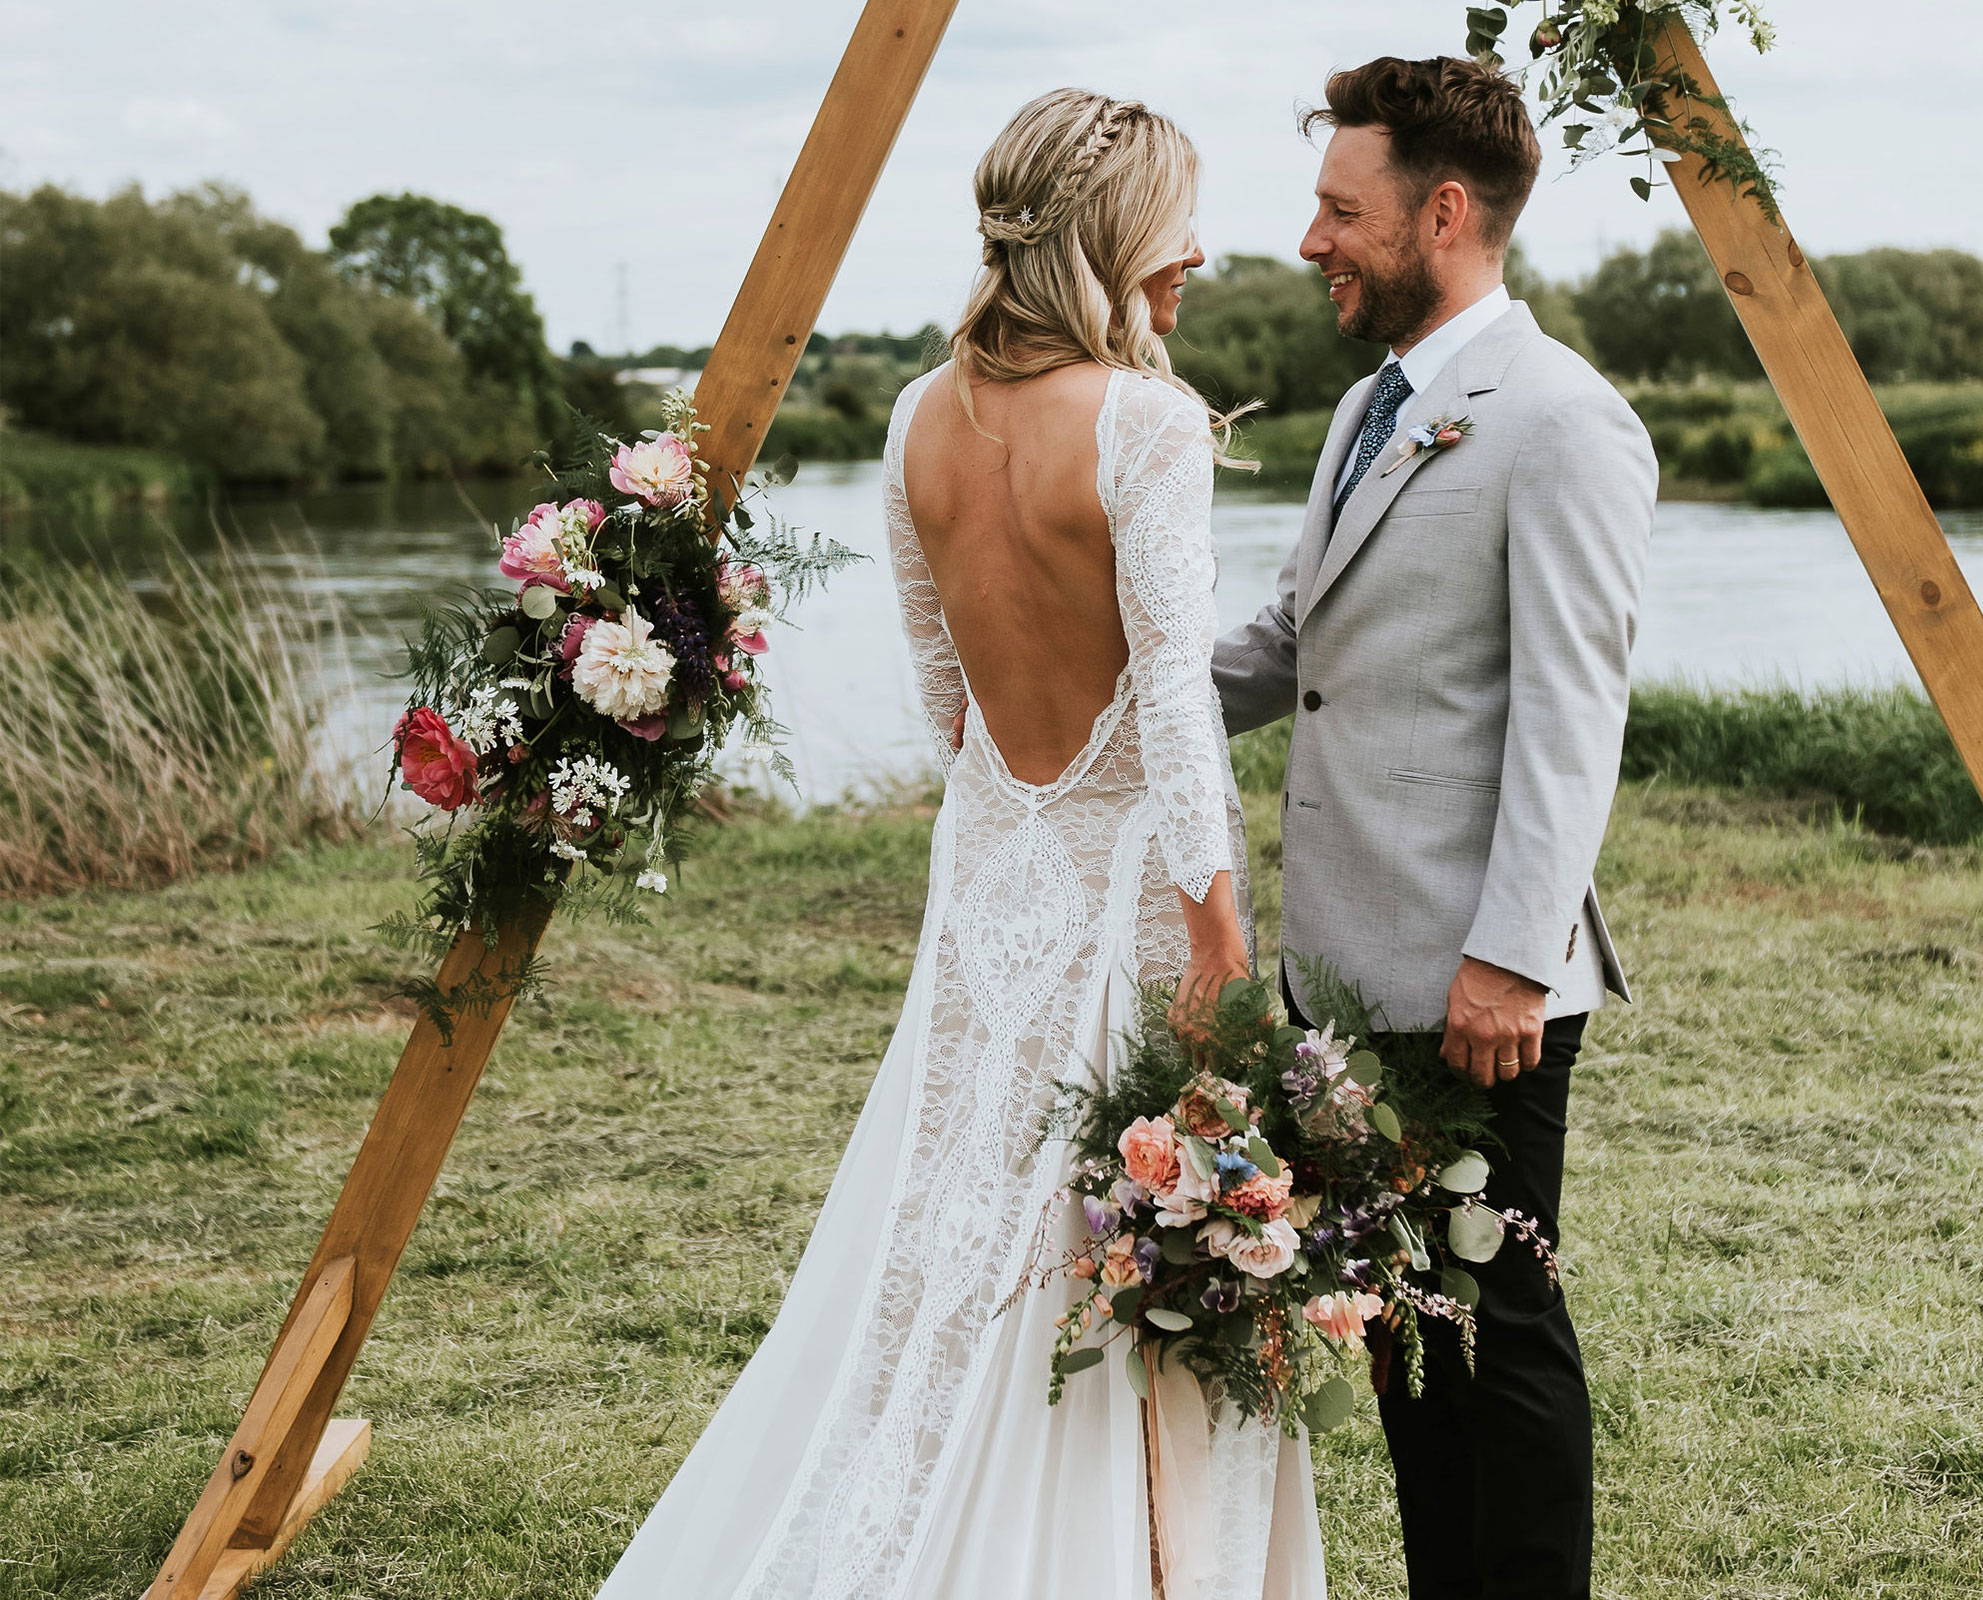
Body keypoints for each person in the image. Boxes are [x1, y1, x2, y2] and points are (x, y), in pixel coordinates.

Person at [597, 89, 1324, 1600]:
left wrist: (1022, 817)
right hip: (1131, 884)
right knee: (1139, 1228)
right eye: (1177, 223)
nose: (1197, 254)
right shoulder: (1148, 424)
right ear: (1115, 234)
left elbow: (945, 695)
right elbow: (1179, 718)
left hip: (994, 875)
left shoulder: (917, 417)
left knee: (969, 1232)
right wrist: (1218, 940)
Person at [1212, 56, 1657, 1600]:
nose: (1313, 236)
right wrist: (1090, 699)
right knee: (1402, 1325)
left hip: (1478, 985)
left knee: (1498, 1323)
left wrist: (1513, 960)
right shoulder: (1363, 410)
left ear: (1443, 211)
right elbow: (1291, 642)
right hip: (1343, 972)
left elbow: (1570, 714)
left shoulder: (1563, 420)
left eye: (1343, 209)